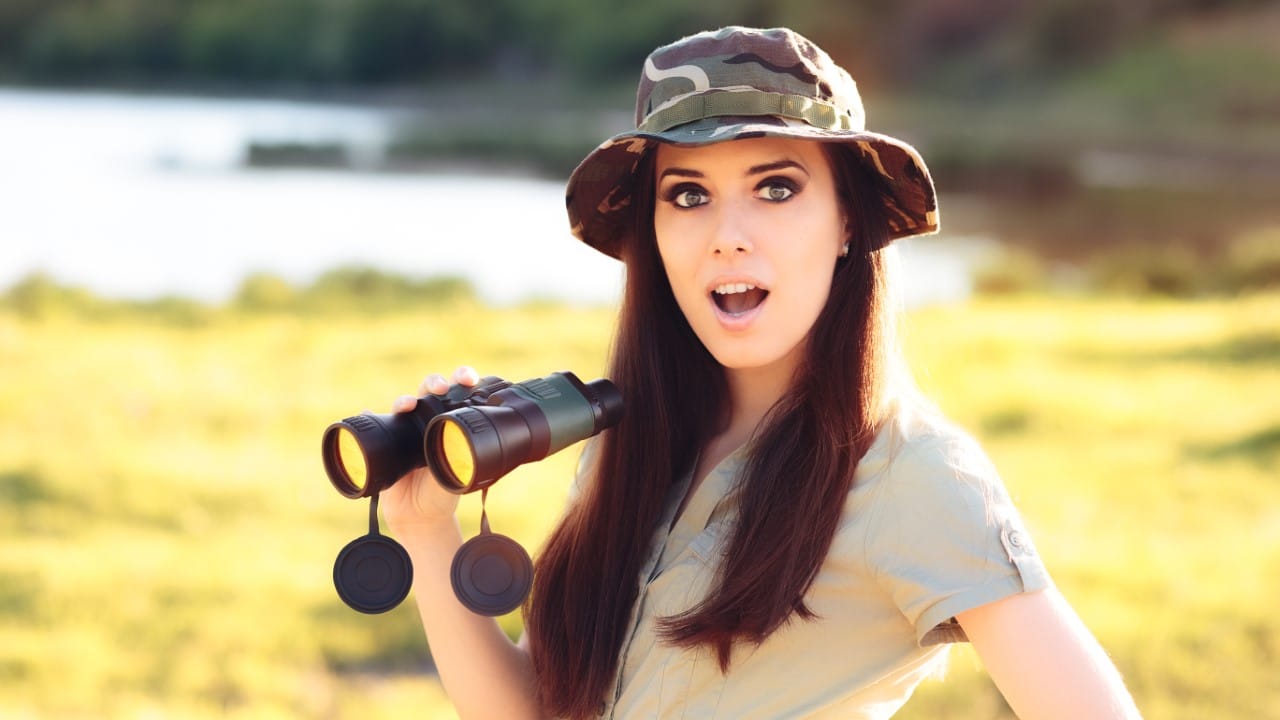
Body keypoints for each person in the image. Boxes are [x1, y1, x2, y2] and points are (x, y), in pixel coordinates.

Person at [380, 26, 1143, 720]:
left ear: (848, 219)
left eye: (776, 187)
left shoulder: (909, 475)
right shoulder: (627, 448)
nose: (727, 237)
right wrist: (426, 530)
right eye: (688, 195)